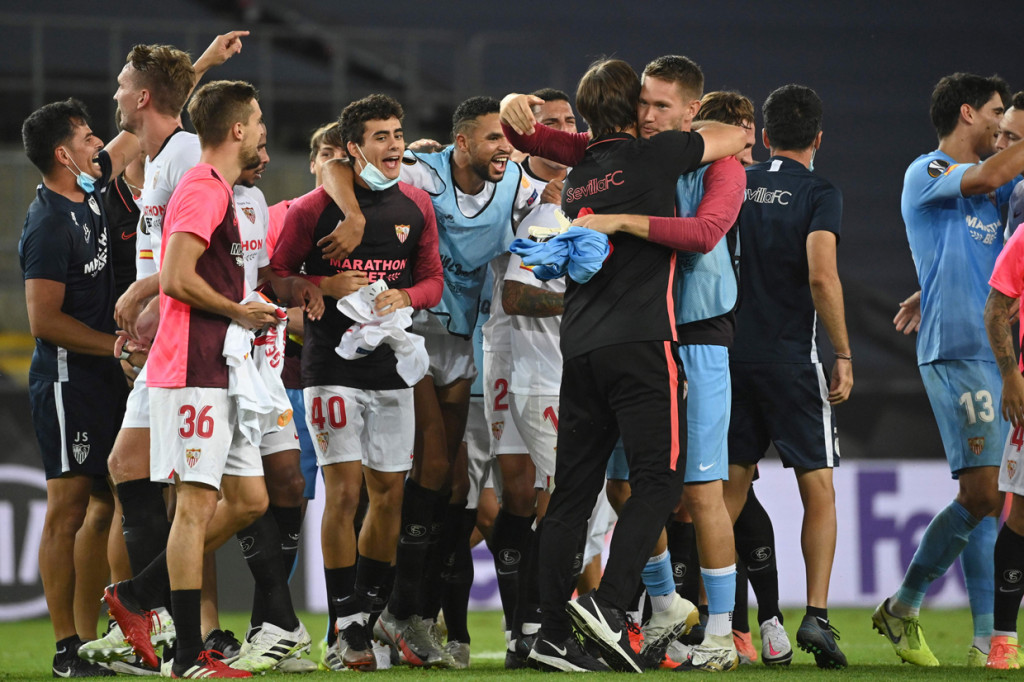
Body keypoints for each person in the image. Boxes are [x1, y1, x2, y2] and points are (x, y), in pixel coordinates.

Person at [500, 57, 745, 673]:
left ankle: (550, 634)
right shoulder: (657, 157)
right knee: (661, 481)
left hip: (577, 348)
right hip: (644, 345)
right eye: (647, 104)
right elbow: (736, 136)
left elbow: (529, 135)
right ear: (633, 108)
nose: (652, 114)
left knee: (569, 499)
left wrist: (511, 104)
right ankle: (610, 607)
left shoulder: (580, 168)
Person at [319, 95, 539, 667]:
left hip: (464, 341)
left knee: (455, 488)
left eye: (506, 138)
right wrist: (356, 215)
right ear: (460, 143)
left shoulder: (515, 182)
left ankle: (417, 616)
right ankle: (391, 612)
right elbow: (331, 164)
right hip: (408, 331)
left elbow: (552, 201)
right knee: (432, 469)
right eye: (492, 138)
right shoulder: (422, 169)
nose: (504, 148)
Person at [101, 79, 296, 680]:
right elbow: (177, 274)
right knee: (193, 509)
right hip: (192, 368)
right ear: (237, 129)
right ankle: (189, 657)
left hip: (222, 367)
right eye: (258, 120)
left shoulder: (221, 191)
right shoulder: (203, 190)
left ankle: (136, 595)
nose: (264, 131)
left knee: (249, 499)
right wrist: (238, 310)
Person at [271, 93, 443, 671]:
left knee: (390, 494)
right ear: (352, 147)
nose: (394, 145)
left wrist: (408, 295)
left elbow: (433, 279)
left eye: (398, 134)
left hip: (393, 370)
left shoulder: (417, 205)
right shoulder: (310, 210)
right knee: (344, 491)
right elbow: (275, 275)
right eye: (380, 136)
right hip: (331, 368)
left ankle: (363, 621)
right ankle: (345, 619)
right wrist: (316, 286)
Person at [875, 72, 1024, 668]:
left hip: (998, 349)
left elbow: (987, 261)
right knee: (984, 492)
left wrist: (925, 286)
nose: (1000, 127)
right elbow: (990, 172)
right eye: (995, 114)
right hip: (956, 348)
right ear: (967, 113)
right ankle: (907, 604)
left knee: (996, 499)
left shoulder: (992, 195)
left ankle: (986, 637)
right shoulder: (929, 170)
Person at [721, 84, 851, 670]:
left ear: (766, 136)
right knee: (816, 487)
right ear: (818, 139)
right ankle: (817, 616)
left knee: (725, 492)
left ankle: (716, 620)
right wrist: (843, 352)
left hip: (727, 356)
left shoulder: (734, 182)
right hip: (792, 360)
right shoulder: (820, 192)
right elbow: (822, 276)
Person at [19, 97, 141, 678]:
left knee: (112, 502)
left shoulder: (89, 194)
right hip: (67, 381)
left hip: (100, 376)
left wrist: (200, 69)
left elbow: (143, 127)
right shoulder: (46, 223)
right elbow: (44, 322)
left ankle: (100, 638)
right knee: (67, 509)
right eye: (89, 137)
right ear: (65, 154)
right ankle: (68, 647)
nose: (102, 143)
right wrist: (115, 346)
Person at [227, 124, 314, 674]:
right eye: (257, 146)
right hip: (219, 360)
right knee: (239, 497)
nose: (265, 156)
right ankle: (145, 603)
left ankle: (270, 627)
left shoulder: (256, 201)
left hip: (264, 362)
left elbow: (262, 279)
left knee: (289, 483)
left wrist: (314, 294)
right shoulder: (198, 190)